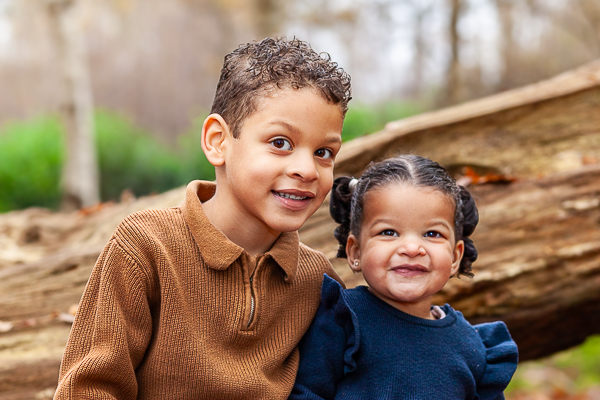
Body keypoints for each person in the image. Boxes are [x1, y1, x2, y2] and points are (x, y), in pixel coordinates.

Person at [54, 37, 352, 400]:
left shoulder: (318, 282)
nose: (306, 169)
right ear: (217, 141)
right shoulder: (147, 246)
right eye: (280, 143)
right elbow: (90, 388)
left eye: (324, 152)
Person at [290, 155, 518, 400]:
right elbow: (306, 393)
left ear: (455, 257)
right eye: (389, 232)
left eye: (432, 233)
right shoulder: (343, 320)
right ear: (355, 251)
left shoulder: (471, 344)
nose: (411, 248)